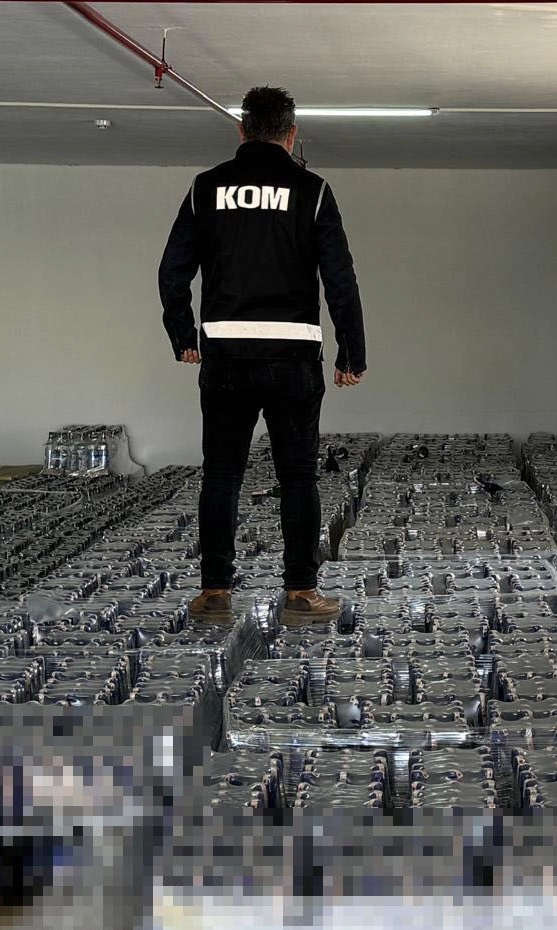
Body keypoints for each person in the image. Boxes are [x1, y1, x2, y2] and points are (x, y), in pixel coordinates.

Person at [159, 86, 367, 627]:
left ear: (242, 129)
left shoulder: (206, 188)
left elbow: (172, 270)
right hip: (293, 359)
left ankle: (215, 593)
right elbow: (340, 279)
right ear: (291, 133)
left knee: (221, 475)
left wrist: (184, 335)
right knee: (298, 477)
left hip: (225, 356)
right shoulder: (312, 190)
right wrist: (351, 351)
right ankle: (301, 593)